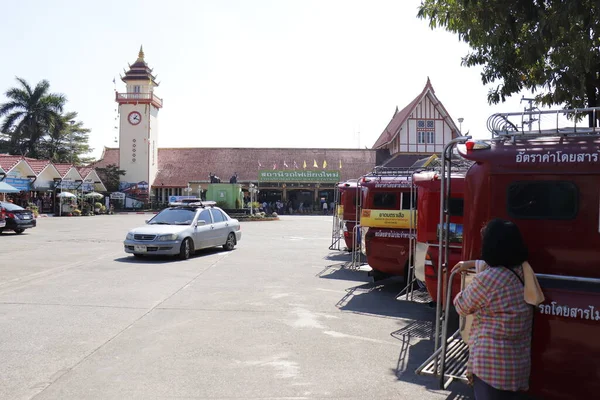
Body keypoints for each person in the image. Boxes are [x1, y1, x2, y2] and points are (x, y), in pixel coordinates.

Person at [452, 218, 533, 400]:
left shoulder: (489, 279)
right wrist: (473, 263)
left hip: (491, 366)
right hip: (516, 364)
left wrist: (461, 290)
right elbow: (498, 267)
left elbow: (461, 306)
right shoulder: (522, 270)